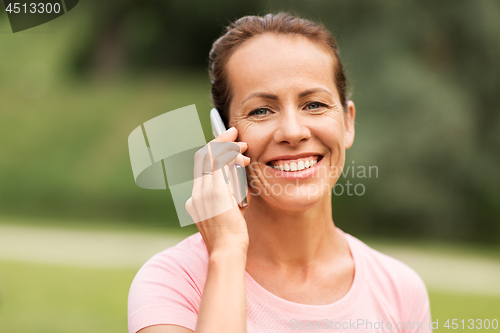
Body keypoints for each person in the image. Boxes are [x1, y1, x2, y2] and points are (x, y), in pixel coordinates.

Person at [128, 13, 432, 333]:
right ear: (222, 135)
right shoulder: (173, 282)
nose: (293, 131)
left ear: (347, 122)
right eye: (261, 110)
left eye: (314, 104)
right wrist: (227, 252)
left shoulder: (401, 291)